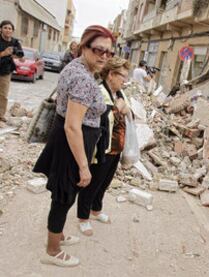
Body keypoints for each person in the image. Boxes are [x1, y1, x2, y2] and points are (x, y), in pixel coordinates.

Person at [33, 25, 115, 267]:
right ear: (84, 47)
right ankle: (52, 251)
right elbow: (72, 126)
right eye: (99, 50)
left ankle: (56, 235)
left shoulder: (76, 67)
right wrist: (83, 166)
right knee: (64, 196)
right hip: (72, 143)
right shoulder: (83, 79)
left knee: (64, 194)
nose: (104, 56)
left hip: (67, 140)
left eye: (109, 52)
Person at [77, 56, 131, 236]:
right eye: (122, 76)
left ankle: (96, 209)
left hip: (116, 147)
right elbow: (99, 117)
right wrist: (117, 109)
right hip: (100, 148)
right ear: (111, 75)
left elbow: (129, 111)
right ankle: (83, 217)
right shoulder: (100, 91)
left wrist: (123, 108)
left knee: (105, 182)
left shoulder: (120, 94)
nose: (125, 80)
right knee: (92, 183)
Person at [0, 20, 24, 124]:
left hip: (5, 71)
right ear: (0, 29)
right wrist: (4, 53)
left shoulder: (15, 42)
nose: (7, 30)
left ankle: (0, 115)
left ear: (12, 31)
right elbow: (4, 54)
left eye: (10, 28)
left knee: (3, 94)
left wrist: (19, 57)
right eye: (5, 28)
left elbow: (20, 54)